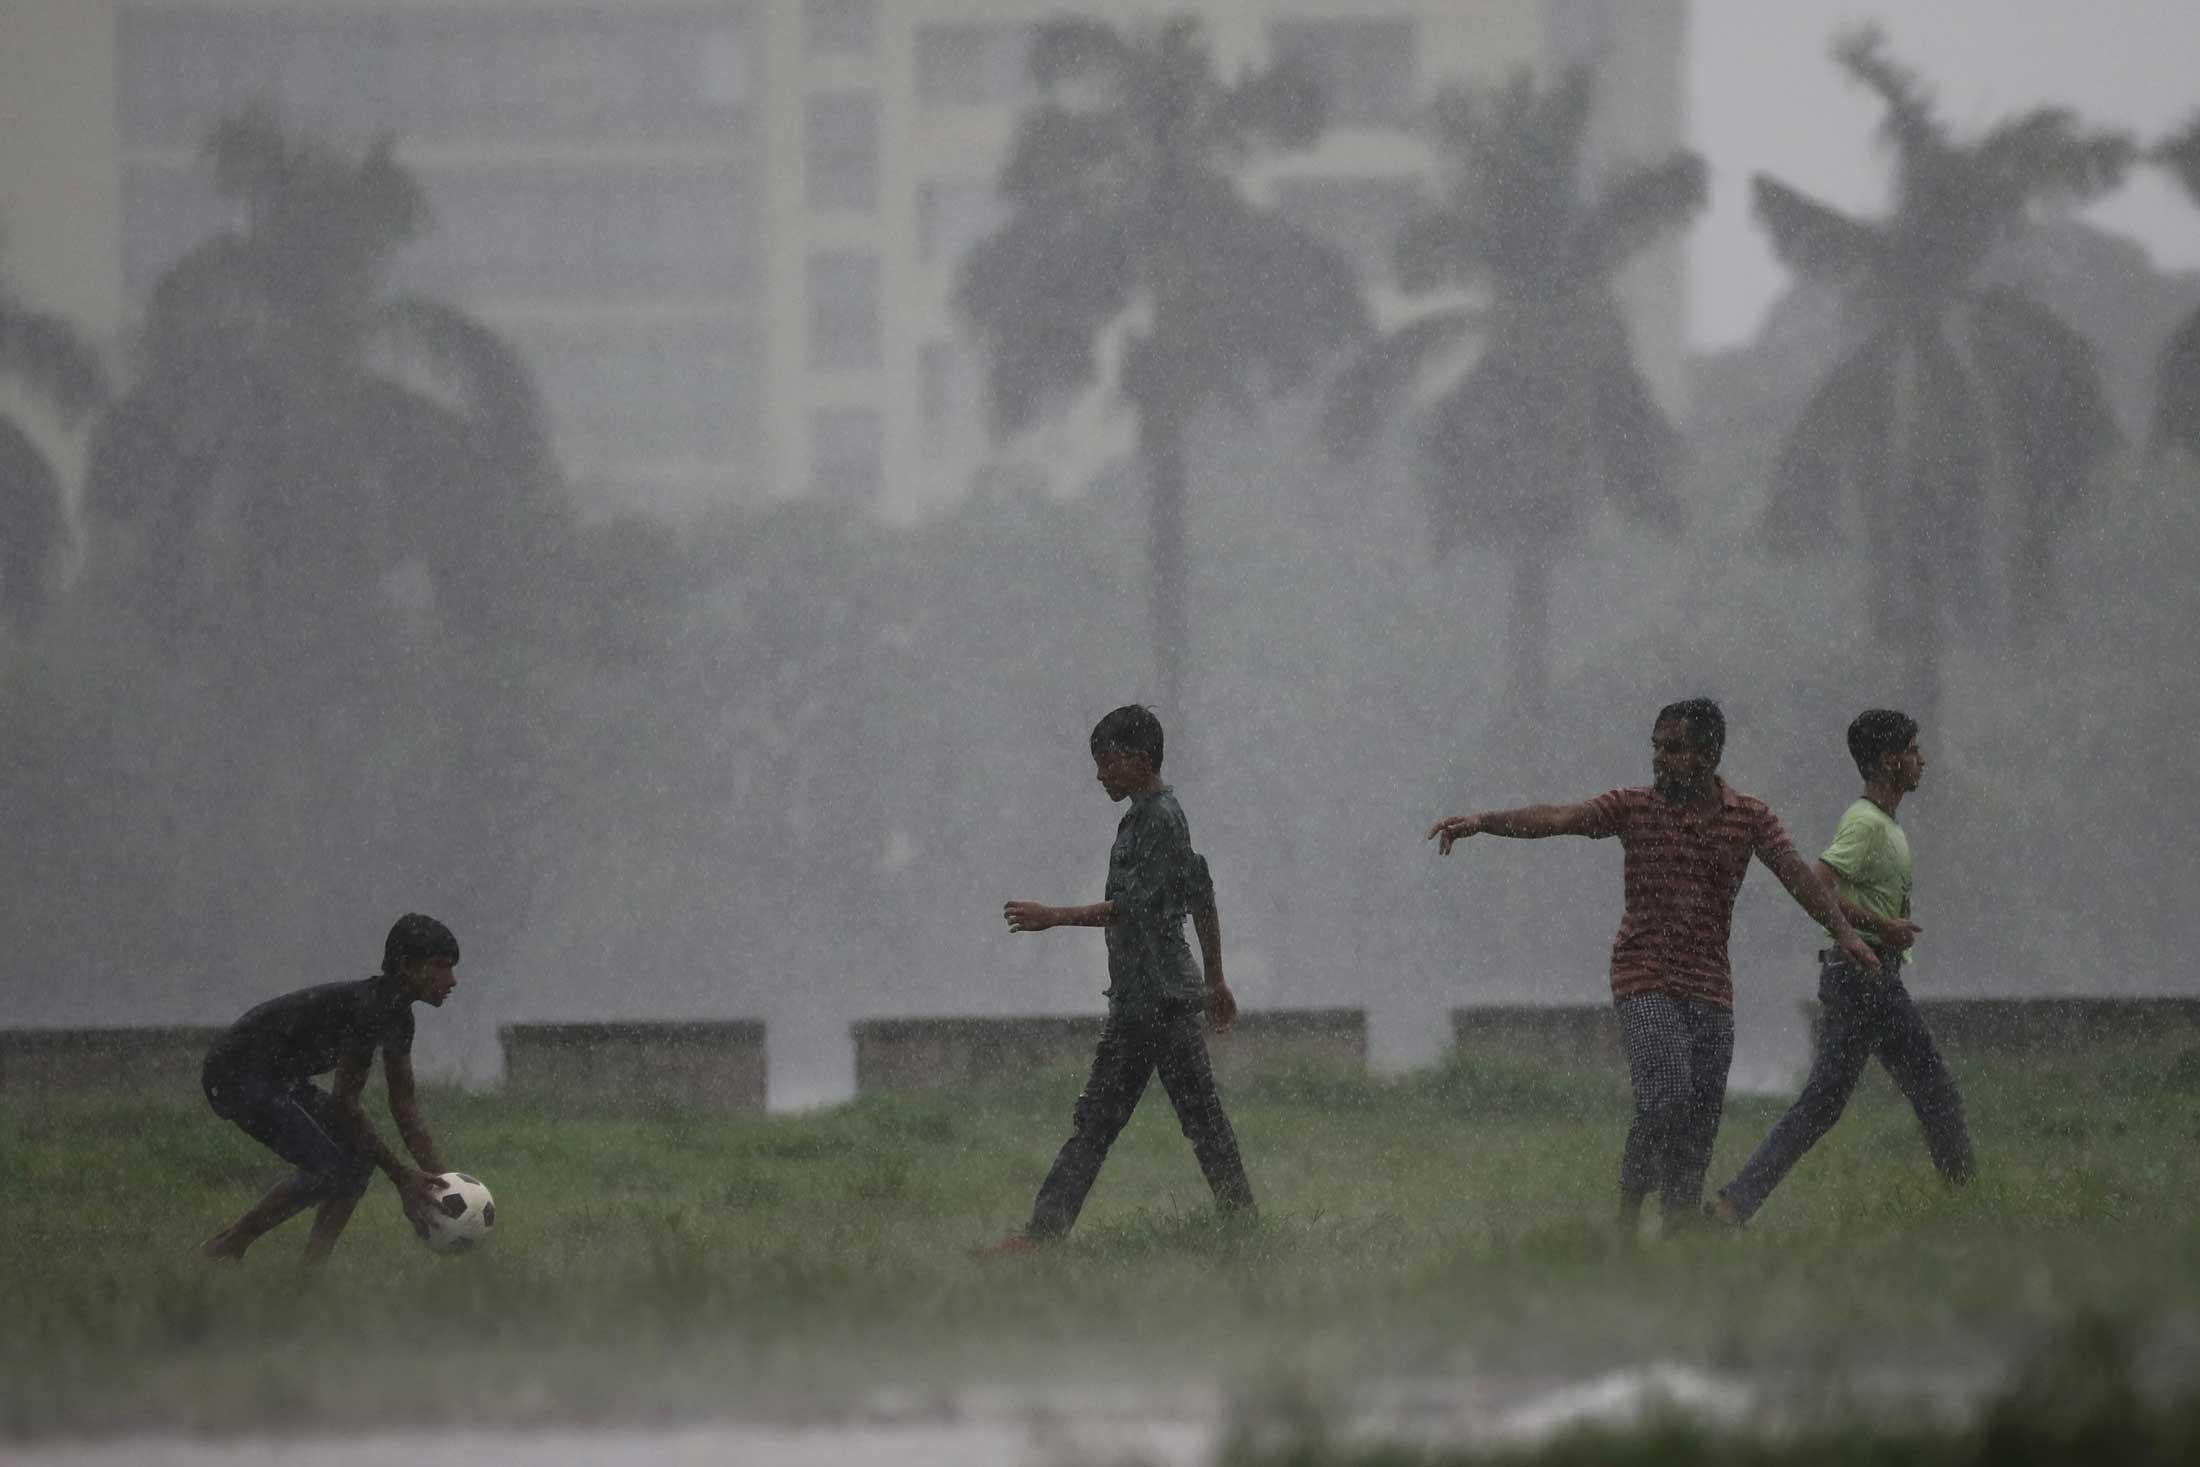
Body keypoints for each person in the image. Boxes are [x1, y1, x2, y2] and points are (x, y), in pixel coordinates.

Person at [1427, 698, 1880, 1231]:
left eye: (1676, 749)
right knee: (1665, 1094)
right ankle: (1627, 1211)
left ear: (1709, 754)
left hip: (1710, 985)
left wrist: (1845, 932)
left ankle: (1678, 1227)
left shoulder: (1749, 817)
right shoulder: (1634, 806)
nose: (1661, 759)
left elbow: (1797, 876)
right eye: (1657, 748)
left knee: (1701, 1116)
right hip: (1644, 975)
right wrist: (1485, 821)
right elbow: (1561, 817)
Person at [987, 705, 1255, 1251]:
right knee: (1107, 1123)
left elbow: (1130, 908)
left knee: (1191, 1124)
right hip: (1143, 999)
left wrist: (1053, 916)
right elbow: (1201, 892)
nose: (1100, 775)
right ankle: (1043, 1237)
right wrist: (1215, 979)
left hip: (1160, 1002)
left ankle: (1246, 1231)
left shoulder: (1159, 819)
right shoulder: (1148, 818)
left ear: (1138, 759)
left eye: (1107, 763)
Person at [1709, 710, 1975, 1226]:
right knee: (1931, 1091)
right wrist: (1880, 925)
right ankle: (1968, 1202)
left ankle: (1732, 1206)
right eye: (1914, 749)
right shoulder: (1865, 823)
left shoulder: (1886, 825)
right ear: (1888, 760)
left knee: (1829, 1107)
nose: (1923, 759)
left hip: (1872, 978)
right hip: (1864, 980)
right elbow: (1818, 884)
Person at [198, 913, 463, 1262]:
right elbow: (346, 1103)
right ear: (406, 966)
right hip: (236, 1072)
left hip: (277, 1077)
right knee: (329, 1169)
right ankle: (226, 1249)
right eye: (441, 966)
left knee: (357, 1162)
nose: (452, 980)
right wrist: (402, 1178)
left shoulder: (399, 1017)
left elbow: (404, 1103)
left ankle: (311, 1272)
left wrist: (441, 1184)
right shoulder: (369, 1009)